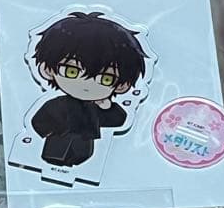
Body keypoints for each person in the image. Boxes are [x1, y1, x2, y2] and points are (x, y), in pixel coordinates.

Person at [28, 11, 149, 167]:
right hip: (58, 139)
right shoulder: (58, 104)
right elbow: (39, 120)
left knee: (81, 154)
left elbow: (118, 120)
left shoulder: (96, 107)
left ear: (121, 85)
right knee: (56, 153)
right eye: (71, 71)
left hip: (85, 146)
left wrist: (107, 107)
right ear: (47, 69)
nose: (87, 83)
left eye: (106, 79)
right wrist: (46, 131)